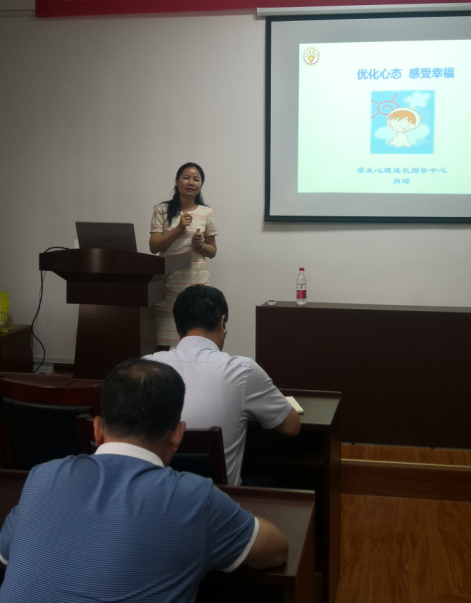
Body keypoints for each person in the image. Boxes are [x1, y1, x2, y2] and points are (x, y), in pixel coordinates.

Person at [0, 359, 288, 603]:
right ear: (177, 435)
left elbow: (7, 555)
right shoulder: (195, 499)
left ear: (97, 429)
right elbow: (275, 550)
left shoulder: (41, 477)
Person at [144, 285, 301, 486]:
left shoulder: (147, 367)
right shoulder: (243, 370)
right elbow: (292, 427)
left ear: (178, 329)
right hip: (220, 500)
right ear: (221, 323)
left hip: (159, 497)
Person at [150, 162, 218, 348]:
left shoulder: (206, 212)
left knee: (197, 335)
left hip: (197, 282)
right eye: (186, 177)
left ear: (201, 185)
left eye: (196, 179)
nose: (191, 182)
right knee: (165, 341)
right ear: (176, 181)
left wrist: (200, 245)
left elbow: (212, 251)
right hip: (168, 283)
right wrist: (179, 228)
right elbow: (154, 246)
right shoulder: (162, 210)